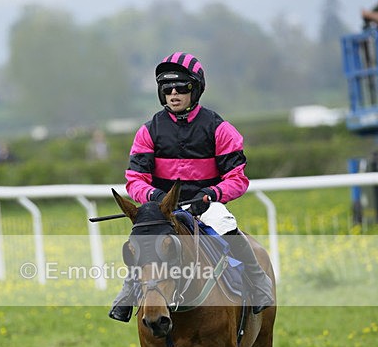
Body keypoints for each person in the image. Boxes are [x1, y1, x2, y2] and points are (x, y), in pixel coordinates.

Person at [109, 51, 275, 322]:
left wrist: (211, 194)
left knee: (225, 224)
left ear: (195, 90)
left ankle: (258, 282)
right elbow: (134, 180)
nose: (173, 94)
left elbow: (237, 178)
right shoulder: (148, 130)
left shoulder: (219, 128)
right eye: (167, 88)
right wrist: (156, 196)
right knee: (143, 241)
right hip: (163, 209)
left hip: (205, 206)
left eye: (181, 88)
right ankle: (128, 293)